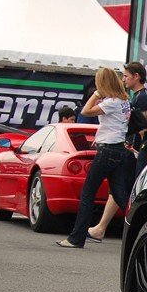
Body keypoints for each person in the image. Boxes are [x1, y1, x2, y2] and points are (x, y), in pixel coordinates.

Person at [56, 67, 131, 249]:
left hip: (107, 151)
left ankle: (76, 238)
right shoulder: (124, 101)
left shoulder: (111, 102)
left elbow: (85, 112)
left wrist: (97, 93)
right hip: (118, 149)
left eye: (98, 82)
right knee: (121, 197)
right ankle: (140, 228)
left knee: (88, 194)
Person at [88, 60, 147, 242]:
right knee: (118, 189)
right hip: (129, 149)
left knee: (125, 192)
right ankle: (100, 228)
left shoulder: (143, 98)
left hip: (137, 152)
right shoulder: (136, 97)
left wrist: (146, 152)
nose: (123, 79)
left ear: (137, 76)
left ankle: (133, 229)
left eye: (126, 76)